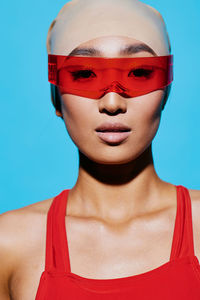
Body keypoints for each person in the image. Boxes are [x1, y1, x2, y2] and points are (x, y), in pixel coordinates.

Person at [1, 0, 200, 299]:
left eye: (140, 72)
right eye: (83, 74)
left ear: (166, 91)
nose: (112, 103)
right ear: (56, 96)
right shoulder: (9, 244)